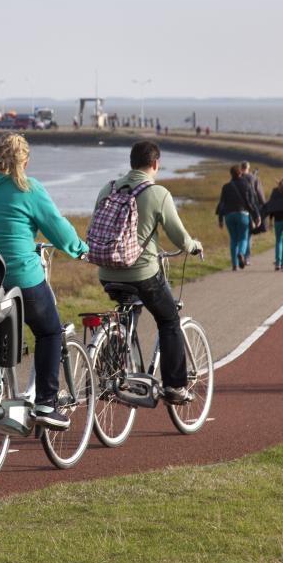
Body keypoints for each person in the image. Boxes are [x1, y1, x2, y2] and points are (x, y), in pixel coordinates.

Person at [0, 133, 87, 429]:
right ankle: (46, 404)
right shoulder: (29, 188)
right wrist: (80, 249)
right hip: (21, 279)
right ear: (24, 160)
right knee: (49, 332)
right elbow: (59, 231)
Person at [92, 141, 203, 404]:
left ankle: (114, 366)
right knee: (169, 320)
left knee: (128, 312)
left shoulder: (107, 189)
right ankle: (175, 387)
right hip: (142, 273)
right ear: (155, 164)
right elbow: (179, 237)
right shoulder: (158, 193)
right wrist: (194, 246)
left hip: (107, 271)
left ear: (132, 162)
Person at [216, 164, 261, 270]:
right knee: (243, 238)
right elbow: (251, 203)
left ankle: (234, 265)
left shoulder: (226, 187)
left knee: (233, 239)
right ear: (240, 173)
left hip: (229, 216)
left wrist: (220, 219)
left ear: (231, 174)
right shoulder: (247, 185)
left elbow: (222, 203)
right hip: (243, 215)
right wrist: (257, 215)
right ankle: (241, 253)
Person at [239, 161, 264, 262]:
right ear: (248, 168)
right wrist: (263, 205)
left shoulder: (238, 178)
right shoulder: (254, 178)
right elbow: (259, 193)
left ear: (241, 168)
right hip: (251, 208)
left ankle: (239, 256)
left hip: (239, 208)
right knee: (248, 234)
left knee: (239, 235)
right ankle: (247, 257)